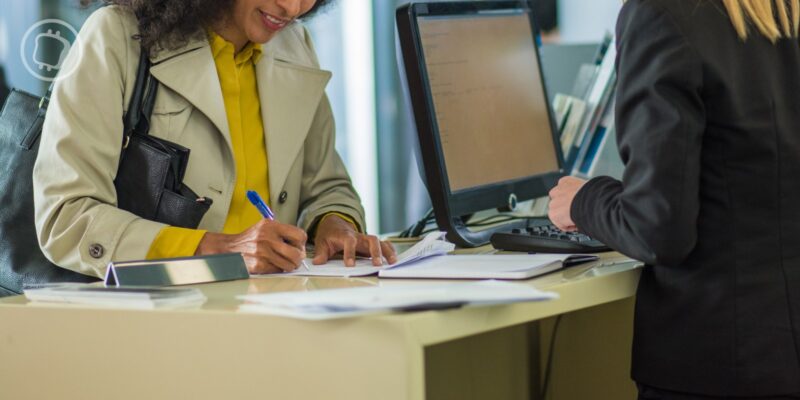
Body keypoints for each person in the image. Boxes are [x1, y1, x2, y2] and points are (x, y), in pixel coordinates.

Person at [33, 0, 397, 278]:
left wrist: (335, 223)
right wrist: (218, 249)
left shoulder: (294, 42)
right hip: (155, 325)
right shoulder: (117, 36)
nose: (293, 7)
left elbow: (327, 187)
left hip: (276, 314)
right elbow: (66, 217)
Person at [548, 0, 800, 398]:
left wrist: (584, 198)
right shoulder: (781, 13)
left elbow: (657, 230)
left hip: (717, 361)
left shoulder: (663, 15)